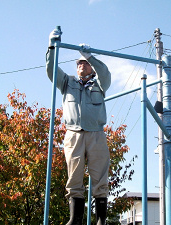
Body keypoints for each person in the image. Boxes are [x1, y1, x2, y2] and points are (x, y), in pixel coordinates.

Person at [46, 28, 111, 225]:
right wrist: (51, 46)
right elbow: (51, 70)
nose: (82, 65)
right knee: (74, 176)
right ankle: (75, 219)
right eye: (79, 63)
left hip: (96, 134)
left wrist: (90, 56)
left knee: (100, 176)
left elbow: (105, 73)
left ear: (91, 67)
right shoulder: (67, 82)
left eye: (85, 63)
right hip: (73, 133)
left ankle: (101, 220)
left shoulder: (100, 84)